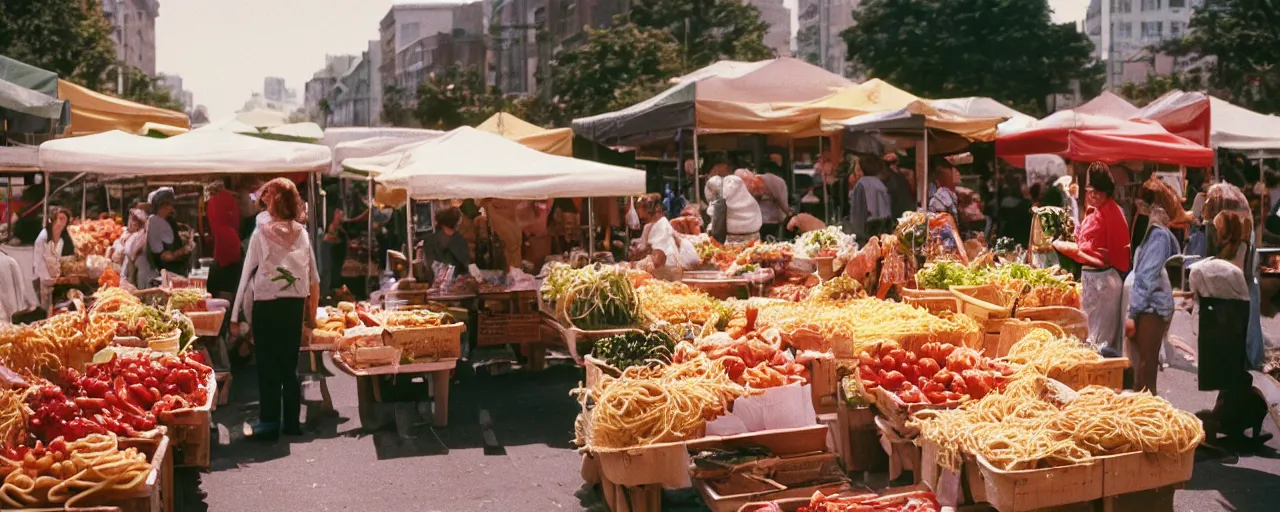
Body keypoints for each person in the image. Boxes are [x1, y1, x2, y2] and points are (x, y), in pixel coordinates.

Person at [231, 178, 320, 441]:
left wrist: (235, 316)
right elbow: (314, 277)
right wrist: (311, 316)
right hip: (293, 308)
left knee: (268, 367)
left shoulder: (261, 234)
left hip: (267, 307)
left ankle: (269, 424)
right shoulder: (302, 234)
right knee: (289, 367)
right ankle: (292, 423)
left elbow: (246, 274)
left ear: (273, 202)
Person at [1054, 165, 1130, 358]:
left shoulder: (1112, 213)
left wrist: (1067, 248)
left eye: (1098, 192)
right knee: (1088, 336)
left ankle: (1102, 381)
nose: (1093, 196)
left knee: (1099, 343)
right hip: (1092, 282)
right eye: (1090, 191)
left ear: (1107, 192)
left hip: (1104, 284)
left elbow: (1107, 256)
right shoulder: (1093, 212)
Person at [1126, 183, 1180, 394]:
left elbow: (1146, 277)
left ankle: (1150, 419)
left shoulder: (1158, 236)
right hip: (1150, 309)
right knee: (1143, 371)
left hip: (1150, 311)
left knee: (1145, 373)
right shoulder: (1157, 233)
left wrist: (1133, 313)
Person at [136, 188, 191, 288]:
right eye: (169, 205)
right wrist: (183, 251)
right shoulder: (153, 224)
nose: (172, 208)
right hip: (165, 278)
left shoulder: (169, 220)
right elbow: (164, 256)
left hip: (179, 272)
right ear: (163, 206)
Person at [206, 179, 243, 305]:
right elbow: (237, 221)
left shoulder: (212, 202)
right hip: (232, 240)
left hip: (223, 243)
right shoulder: (231, 199)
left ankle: (224, 312)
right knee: (229, 281)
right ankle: (228, 311)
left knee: (223, 282)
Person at [848, 157, 893, 243]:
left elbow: (857, 212)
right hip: (883, 228)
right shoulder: (880, 183)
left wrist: (856, 235)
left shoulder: (861, 184)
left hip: (867, 231)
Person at [422, 207, 471, 282]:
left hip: (435, 284)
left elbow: (428, 264)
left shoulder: (429, 240)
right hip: (456, 285)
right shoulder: (461, 240)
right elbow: (465, 265)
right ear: (457, 222)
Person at [33, 207, 75, 283]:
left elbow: (65, 260)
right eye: (58, 218)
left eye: (63, 219)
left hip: (57, 279)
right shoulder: (43, 237)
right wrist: (49, 279)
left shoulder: (64, 240)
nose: (60, 222)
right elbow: (38, 262)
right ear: (52, 220)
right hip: (42, 278)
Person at [109, 209, 149, 286]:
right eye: (130, 219)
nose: (131, 223)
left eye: (134, 222)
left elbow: (130, 254)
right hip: (118, 269)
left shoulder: (139, 237)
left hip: (132, 271)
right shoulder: (125, 232)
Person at [757, 171, 791, 241]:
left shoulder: (776, 184)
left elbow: (783, 204)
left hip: (771, 222)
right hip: (763, 222)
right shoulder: (757, 186)